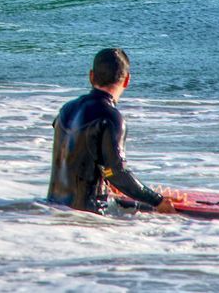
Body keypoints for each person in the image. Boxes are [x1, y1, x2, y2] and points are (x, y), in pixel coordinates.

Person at [47, 47, 177, 214]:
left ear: (91, 76)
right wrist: (157, 201)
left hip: (51, 210)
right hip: (86, 217)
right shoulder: (111, 118)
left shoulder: (67, 109)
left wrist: (110, 178)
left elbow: (79, 153)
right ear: (127, 80)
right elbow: (116, 172)